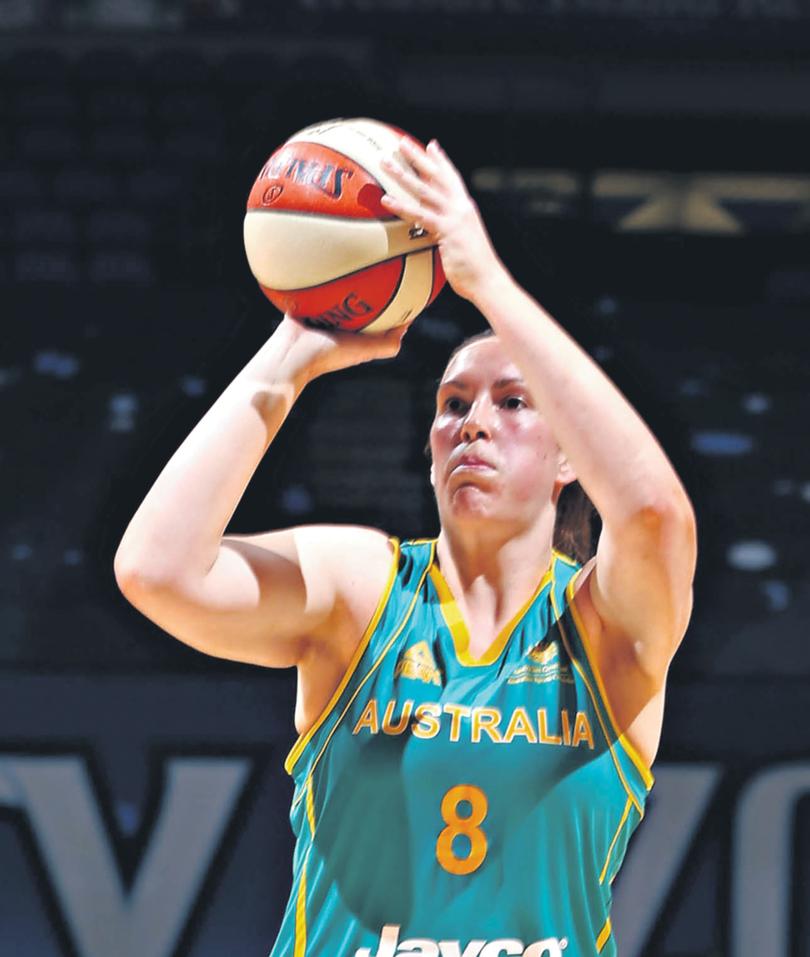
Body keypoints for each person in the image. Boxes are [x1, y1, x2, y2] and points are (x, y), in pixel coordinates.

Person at [114, 136, 697, 957]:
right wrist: (289, 353)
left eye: (514, 401)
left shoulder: (605, 630)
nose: (474, 422)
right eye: (452, 403)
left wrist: (486, 282)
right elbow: (155, 569)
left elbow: (657, 515)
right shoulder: (367, 588)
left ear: (572, 456)